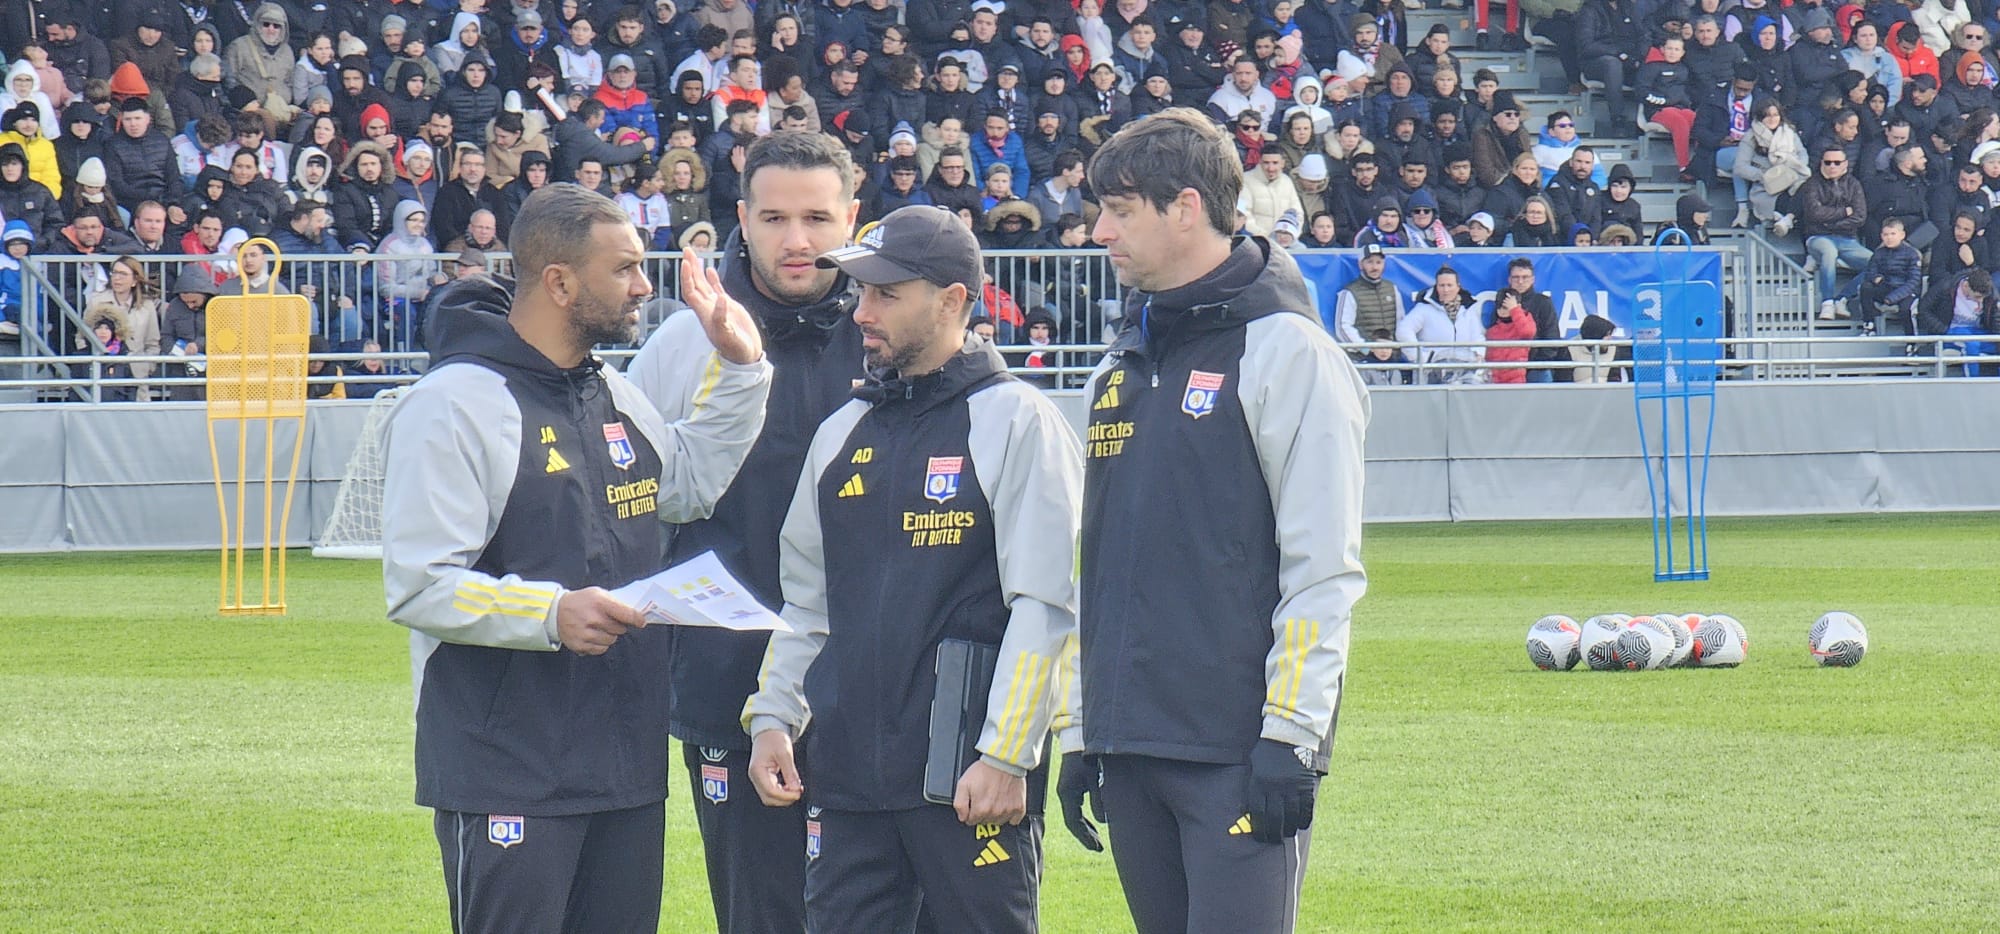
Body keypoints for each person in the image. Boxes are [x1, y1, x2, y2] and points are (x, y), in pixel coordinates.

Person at [380, 183, 773, 934]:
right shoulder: (455, 403)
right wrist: (551, 613)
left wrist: (744, 371)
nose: (643, 286)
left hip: (623, 764)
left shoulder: (612, 393)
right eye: (623, 268)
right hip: (507, 768)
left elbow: (684, 485)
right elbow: (419, 586)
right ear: (559, 282)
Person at [1057, 108, 1367, 934]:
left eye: (1119, 211)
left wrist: (1291, 734)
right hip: (1130, 746)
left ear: (1186, 207)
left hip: (1237, 749)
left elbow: (1323, 567)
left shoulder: (1288, 355)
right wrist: (1088, 729)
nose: (1099, 233)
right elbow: (1101, 568)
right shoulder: (1116, 367)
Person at [740, 204, 1079, 934]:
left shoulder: (1017, 420)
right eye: (860, 292)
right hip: (849, 783)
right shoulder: (841, 433)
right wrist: (773, 719)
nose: (863, 311)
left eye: (886, 293)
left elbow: (1046, 605)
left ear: (954, 301)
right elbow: (807, 606)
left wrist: (1007, 755)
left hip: (969, 782)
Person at [626, 131, 867, 934]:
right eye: (773, 218)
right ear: (740, 218)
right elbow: (632, 501)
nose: (797, 240)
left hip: (879, 684)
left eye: (817, 217)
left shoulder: (892, 334)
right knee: (760, 913)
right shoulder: (682, 342)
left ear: (853, 217)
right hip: (725, 681)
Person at [1798, 144, 1872, 318]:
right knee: (1829, 252)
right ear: (1822, 163)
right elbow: (1814, 213)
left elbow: (1860, 216)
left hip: (1847, 239)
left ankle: (1842, 298)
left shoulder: (1854, 184)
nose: (1832, 166)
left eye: (1837, 162)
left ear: (1845, 164)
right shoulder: (1812, 183)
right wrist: (1843, 213)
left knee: (1877, 263)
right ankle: (1827, 303)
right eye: (1828, 162)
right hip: (1817, 237)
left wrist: (1830, 224)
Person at [1396, 265, 1486, 384]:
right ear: (1436, 287)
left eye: (1449, 285)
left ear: (1458, 287)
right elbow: (1403, 330)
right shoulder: (1424, 308)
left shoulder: (1469, 309)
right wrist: (1422, 357)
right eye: (1441, 285)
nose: (1445, 290)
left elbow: (1478, 336)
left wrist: (1477, 353)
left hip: (1465, 373)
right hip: (1432, 374)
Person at [1505, 258, 1567, 382]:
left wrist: (1539, 362)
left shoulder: (1543, 302)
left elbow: (1552, 334)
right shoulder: (1503, 301)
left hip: (1537, 369)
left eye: (1525, 277)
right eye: (1516, 277)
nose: (1520, 281)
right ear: (1509, 280)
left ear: (1533, 279)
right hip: (1508, 368)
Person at [1333, 242, 1404, 345]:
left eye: (1378, 262)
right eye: (1370, 262)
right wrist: (1366, 348)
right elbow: (1342, 327)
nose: (1375, 267)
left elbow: (1401, 321)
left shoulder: (1392, 288)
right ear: (1361, 264)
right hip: (1363, 358)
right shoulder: (1349, 292)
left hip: (1391, 356)